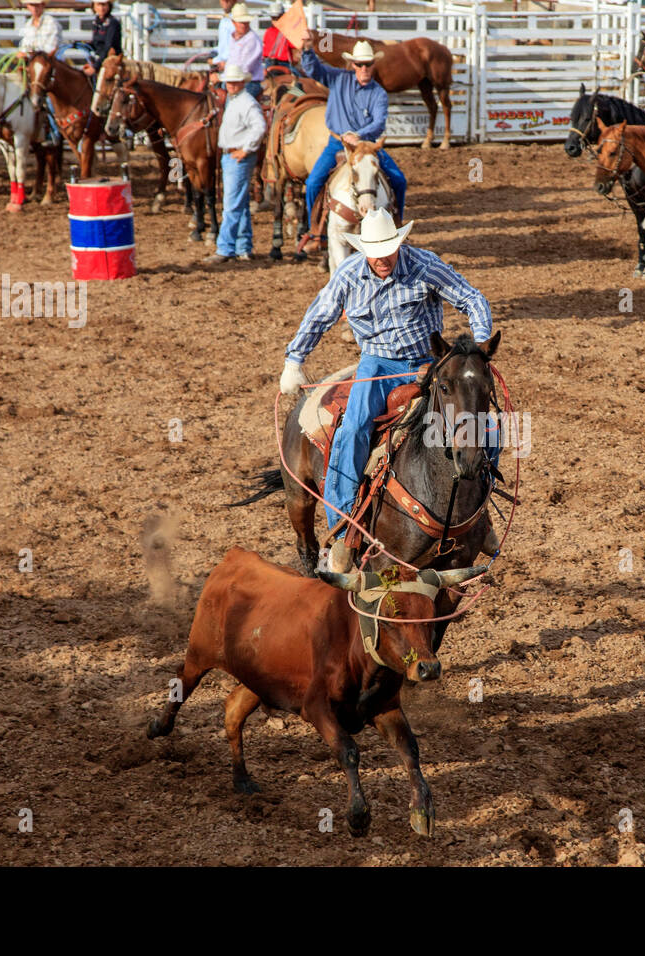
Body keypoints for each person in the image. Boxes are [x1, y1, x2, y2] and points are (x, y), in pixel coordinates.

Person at [279, 209, 494, 573]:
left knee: (483, 422)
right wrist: (293, 360)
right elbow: (320, 315)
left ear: (400, 244)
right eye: (374, 252)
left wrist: (480, 344)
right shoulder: (349, 275)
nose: (381, 259)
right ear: (363, 249)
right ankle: (343, 526)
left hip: (429, 363)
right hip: (377, 364)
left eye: (388, 250)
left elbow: (471, 298)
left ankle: (481, 515)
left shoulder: (425, 265)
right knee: (354, 428)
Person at [295, 35, 406, 237]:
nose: (364, 68)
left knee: (399, 180)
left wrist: (358, 135)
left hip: (367, 146)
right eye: (360, 64)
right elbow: (313, 70)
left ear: (374, 65)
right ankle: (315, 231)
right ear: (353, 64)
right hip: (337, 144)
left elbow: (378, 123)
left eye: (368, 64)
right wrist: (308, 51)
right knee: (312, 183)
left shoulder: (378, 93)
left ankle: (397, 225)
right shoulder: (338, 79)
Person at [207, 63, 267, 264]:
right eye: (229, 82)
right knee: (238, 203)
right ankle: (243, 247)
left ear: (241, 82)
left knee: (231, 204)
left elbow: (259, 127)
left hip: (237, 156)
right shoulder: (236, 100)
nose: (231, 85)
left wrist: (246, 149)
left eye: (234, 82)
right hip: (233, 155)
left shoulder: (245, 102)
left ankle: (225, 248)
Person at [15, 1, 64, 146]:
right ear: (28, 7)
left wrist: (29, 54)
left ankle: (53, 133)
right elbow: (24, 46)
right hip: (33, 66)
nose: (35, 8)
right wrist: (24, 54)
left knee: (49, 97)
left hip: (49, 67)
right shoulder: (28, 25)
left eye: (37, 5)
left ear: (43, 6)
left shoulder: (51, 23)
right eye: (32, 5)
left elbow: (50, 49)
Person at [223, 3, 263, 98]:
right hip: (235, 78)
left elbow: (246, 67)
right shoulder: (234, 38)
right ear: (234, 22)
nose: (244, 25)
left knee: (234, 103)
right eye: (241, 22)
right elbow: (232, 60)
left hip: (250, 82)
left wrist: (229, 76)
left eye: (246, 22)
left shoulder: (252, 39)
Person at [81, 0, 121, 75]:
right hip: (99, 59)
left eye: (104, 5)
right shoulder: (96, 22)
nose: (101, 8)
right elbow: (96, 43)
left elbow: (108, 47)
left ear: (109, 6)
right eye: (99, 5)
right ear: (94, 6)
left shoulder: (112, 23)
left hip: (109, 61)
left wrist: (95, 67)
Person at [260, 2, 296, 77]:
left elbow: (295, 46)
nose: (275, 20)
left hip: (284, 63)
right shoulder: (269, 31)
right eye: (273, 18)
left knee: (299, 78)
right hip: (270, 61)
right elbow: (265, 49)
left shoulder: (288, 32)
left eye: (278, 18)